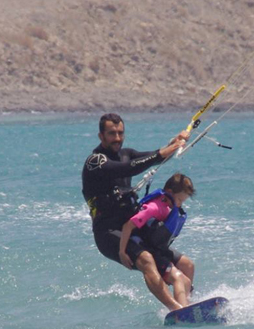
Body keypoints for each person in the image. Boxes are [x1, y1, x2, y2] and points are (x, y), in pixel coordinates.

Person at [81, 113, 195, 309]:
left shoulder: (127, 153)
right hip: (108, 232)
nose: (117, 138)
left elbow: (153, 158)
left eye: (120, 133)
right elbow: (128, 168)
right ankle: (175, 309)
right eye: (111, 134)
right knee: (146, 259)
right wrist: (164, 151)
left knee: (185, 265)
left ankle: (189, 306)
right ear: (101, 136)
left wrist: (175, 142)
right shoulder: (95, 161)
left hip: (134, 229)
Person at [119, 173, 196, 311]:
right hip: (147, 247)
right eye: (179, 199)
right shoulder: (154, 207)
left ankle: (187, 303)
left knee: (188, 266)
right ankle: (182, 311)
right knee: (178, 278)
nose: (179, 204)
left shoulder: (169, 205)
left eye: (182, 201)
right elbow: (128, 225)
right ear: (170, 192)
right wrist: (122, 251)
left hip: (158, 247)